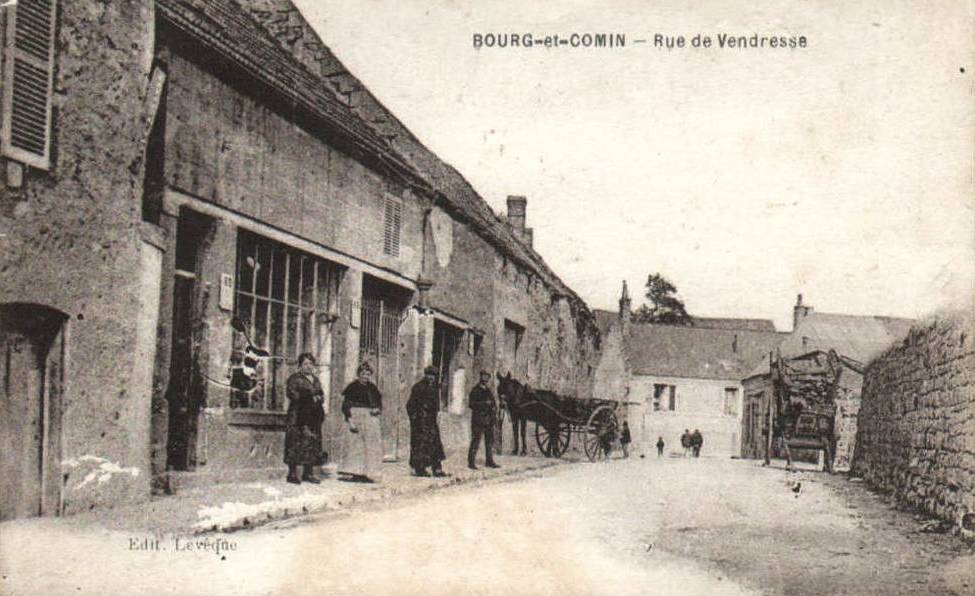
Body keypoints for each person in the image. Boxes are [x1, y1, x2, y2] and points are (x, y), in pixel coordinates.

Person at [337, 362, 383, 483]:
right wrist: (350, 421)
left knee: (370, 446)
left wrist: (377, 409)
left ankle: (368, 473)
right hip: (356, 417)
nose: (365, 376)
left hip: (370, 419)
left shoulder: (373, 388)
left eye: (368, 374)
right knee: (356, 447)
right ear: (358, 374)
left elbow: (379, 404)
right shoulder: (352, 387)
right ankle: (356, 472)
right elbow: (346, 405)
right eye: (363, 374)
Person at [284, 353, 326, 484]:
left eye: (310, 364)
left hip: (313, 416)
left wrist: (318, 398)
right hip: (297, 415)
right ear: (300, 365)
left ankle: (308, 473)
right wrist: (308, 397)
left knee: (312, 442)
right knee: (295, 442)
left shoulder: (315, 379)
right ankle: (292, 474)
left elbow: (321, 395)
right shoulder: (294, 379)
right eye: (305, 364)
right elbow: (292, 394)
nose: (308, 366)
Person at [406, 366, 447, 477]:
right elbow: (410, 405)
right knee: (420, 445)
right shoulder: (418, 387)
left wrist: (437, 413)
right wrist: (415, 418)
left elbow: (436, 406)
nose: (431, 378)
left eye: (433, 376)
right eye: (429, 375)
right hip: (420, 421)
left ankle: (437, 469)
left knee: (435, 443)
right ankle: (419, 469)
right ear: (425, 375)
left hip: (431, 421)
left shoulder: (435, 389)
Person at [468, 370, 500, 470]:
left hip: (489, 420)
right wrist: (484, 403)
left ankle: (489, 461)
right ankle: (471, 462)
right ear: (480, 377)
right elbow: (471, 404)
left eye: (487, 377)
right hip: (478, 419)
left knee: (489, 441)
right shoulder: (475, 390)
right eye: (484, 376)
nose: (486, 379)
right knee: (476, 441)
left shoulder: (488, 390)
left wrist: (494, 409)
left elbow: (493, 402)